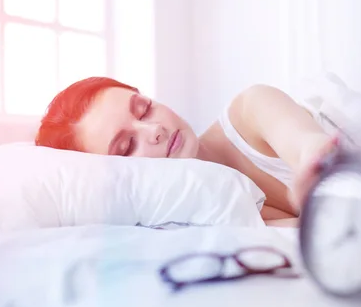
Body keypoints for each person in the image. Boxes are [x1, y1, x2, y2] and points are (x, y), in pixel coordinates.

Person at [35, 77, 340, 227]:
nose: (153, 130)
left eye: (144, 109)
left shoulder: (250, 108)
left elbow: (307, 144)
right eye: (127, 146)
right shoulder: (199, 219)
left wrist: (317, 161)